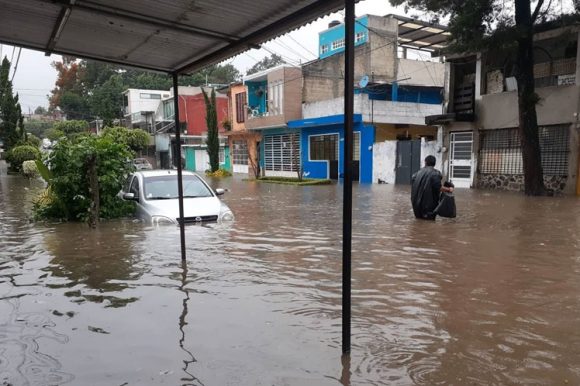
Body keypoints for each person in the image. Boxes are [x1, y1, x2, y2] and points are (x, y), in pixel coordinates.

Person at [411, 155, 454, 220]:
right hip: (428, 206)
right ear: (434, 163)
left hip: (415, 205)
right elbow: (439, 187)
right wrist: (449, 189)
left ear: (425, 162)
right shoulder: (435, 173)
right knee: (429, 223)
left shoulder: (417, 173)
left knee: (419, 222)